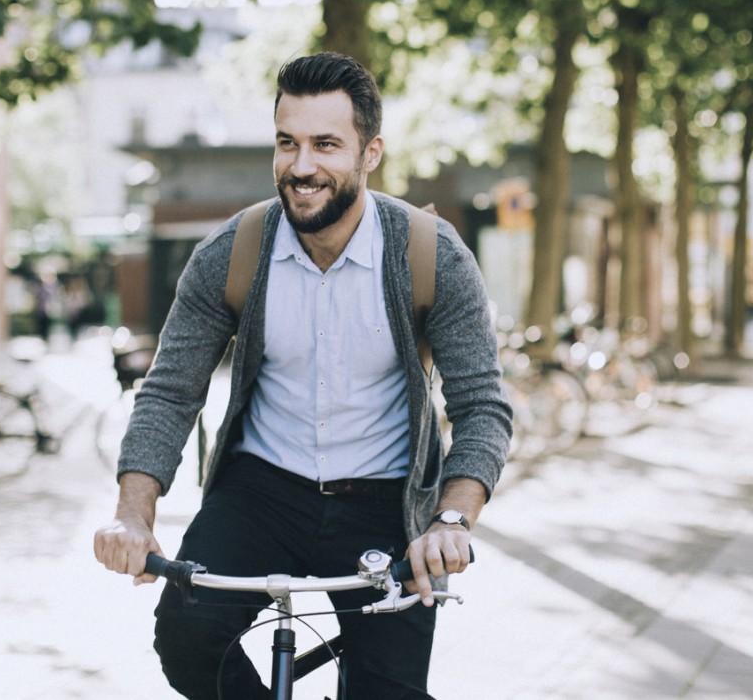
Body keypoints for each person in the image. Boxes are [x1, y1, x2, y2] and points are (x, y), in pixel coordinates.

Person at [93, 52, 512, 700]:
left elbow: (483, 406)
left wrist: (451, 521)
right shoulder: (231, 253)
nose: (301, 165)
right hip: (260, 490)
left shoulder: (430, 254)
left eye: (325, 144)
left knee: (387, 691)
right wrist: (133, 513)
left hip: (385, 503)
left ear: (370, 153)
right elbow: (171, 390)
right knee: (186, 640)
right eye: (287, 142)